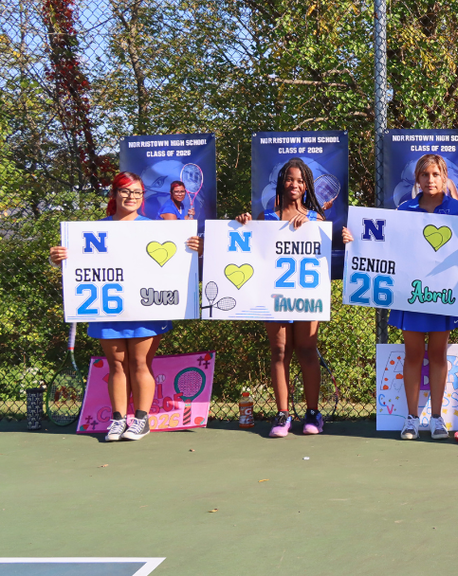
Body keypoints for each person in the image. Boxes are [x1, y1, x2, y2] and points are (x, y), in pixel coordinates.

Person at [48, 171, 202, 442]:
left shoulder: (158, 228)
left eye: (137, 193)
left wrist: (195, 248)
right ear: (114, 195)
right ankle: (118, 420)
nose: (131, 197)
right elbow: (77, 264)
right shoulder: (95, 230)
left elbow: (180, 260)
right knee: (116, 365)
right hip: (109, 308)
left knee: (140, 362)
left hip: (146, 308)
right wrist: (59, 258)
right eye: (125, 191)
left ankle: (141, 420)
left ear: (143, 197)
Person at [341, 154, 458, 441]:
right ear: (417, 179)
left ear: (445, 177)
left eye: (436, 175)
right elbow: (385, 247)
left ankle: (437, 418)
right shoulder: (405, 209)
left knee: (438, 356)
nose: (430, 180)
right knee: (413, 355)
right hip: (410, 295)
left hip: (441, 296)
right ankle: (412, 418)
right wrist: (355, 242)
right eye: (425, 175)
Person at [235, 158, 328, 438]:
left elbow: (327, 251)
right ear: (281, 182)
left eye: (300, 180)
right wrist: (243, 225)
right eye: (290, 179)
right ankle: (283, 414)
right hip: (272, 294)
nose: (295, 185)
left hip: (305, 296)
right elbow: (251, 251)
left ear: (307, 185)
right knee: (279, 352)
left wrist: (314, 227)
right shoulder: (267, 218)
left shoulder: (315, 219)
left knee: (307, 351)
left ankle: (313, 413)